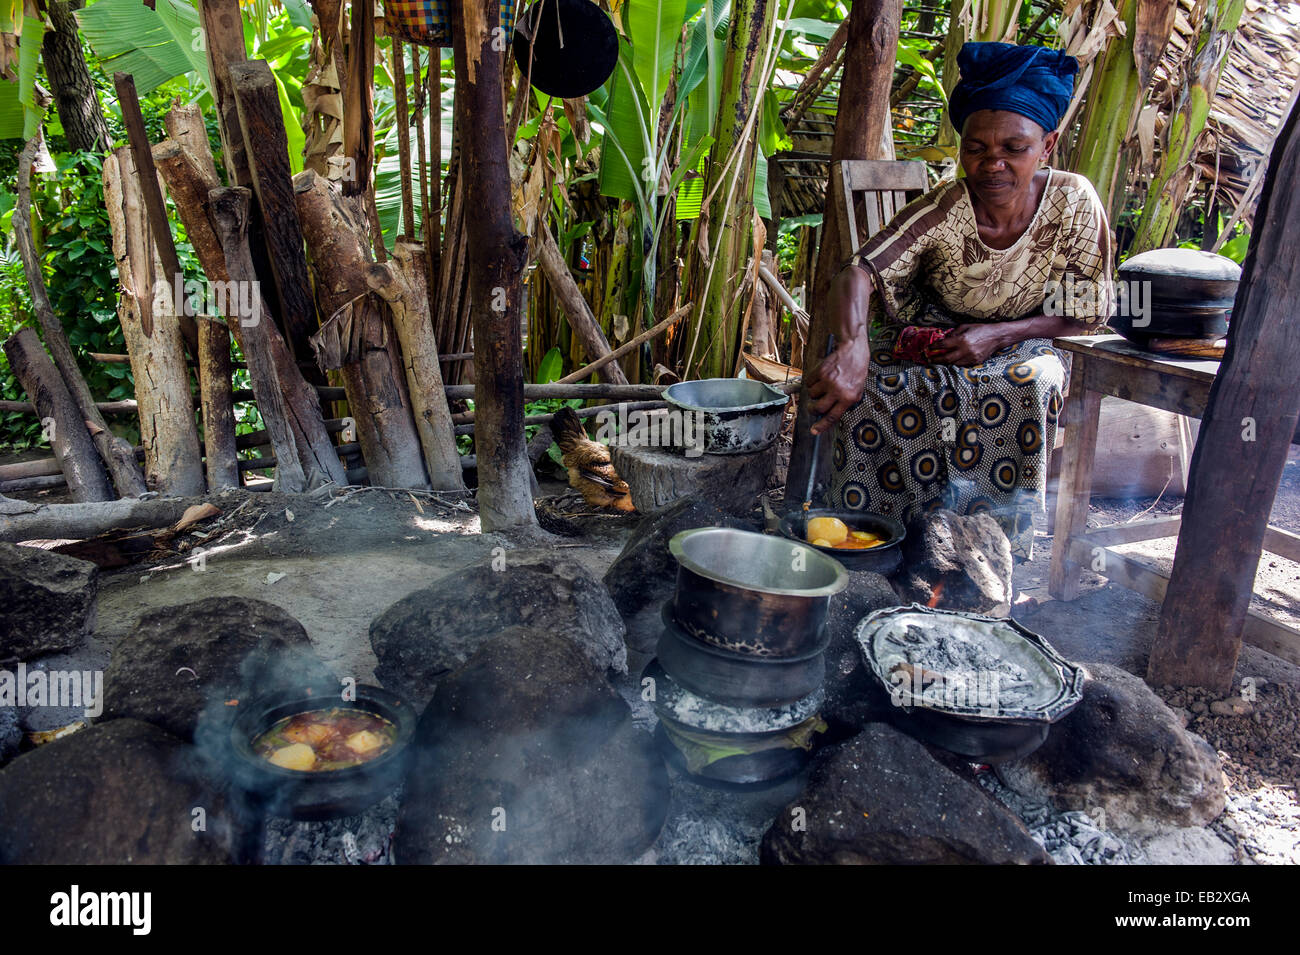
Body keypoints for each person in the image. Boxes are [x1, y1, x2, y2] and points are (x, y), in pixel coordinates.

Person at [805, 41, 1115, 558]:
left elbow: (1085, 312)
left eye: (1014, 148)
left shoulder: (1074, 201)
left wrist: (1001, 333)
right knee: (875, 386)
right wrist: (853, 346)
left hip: (1028, 339)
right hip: (936, 335)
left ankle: (984, 551)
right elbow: (859, 271)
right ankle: (875, 542)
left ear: (1048, 146)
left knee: (1028, 385)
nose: (992, 164)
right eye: (977, 148)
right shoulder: (948, 205)